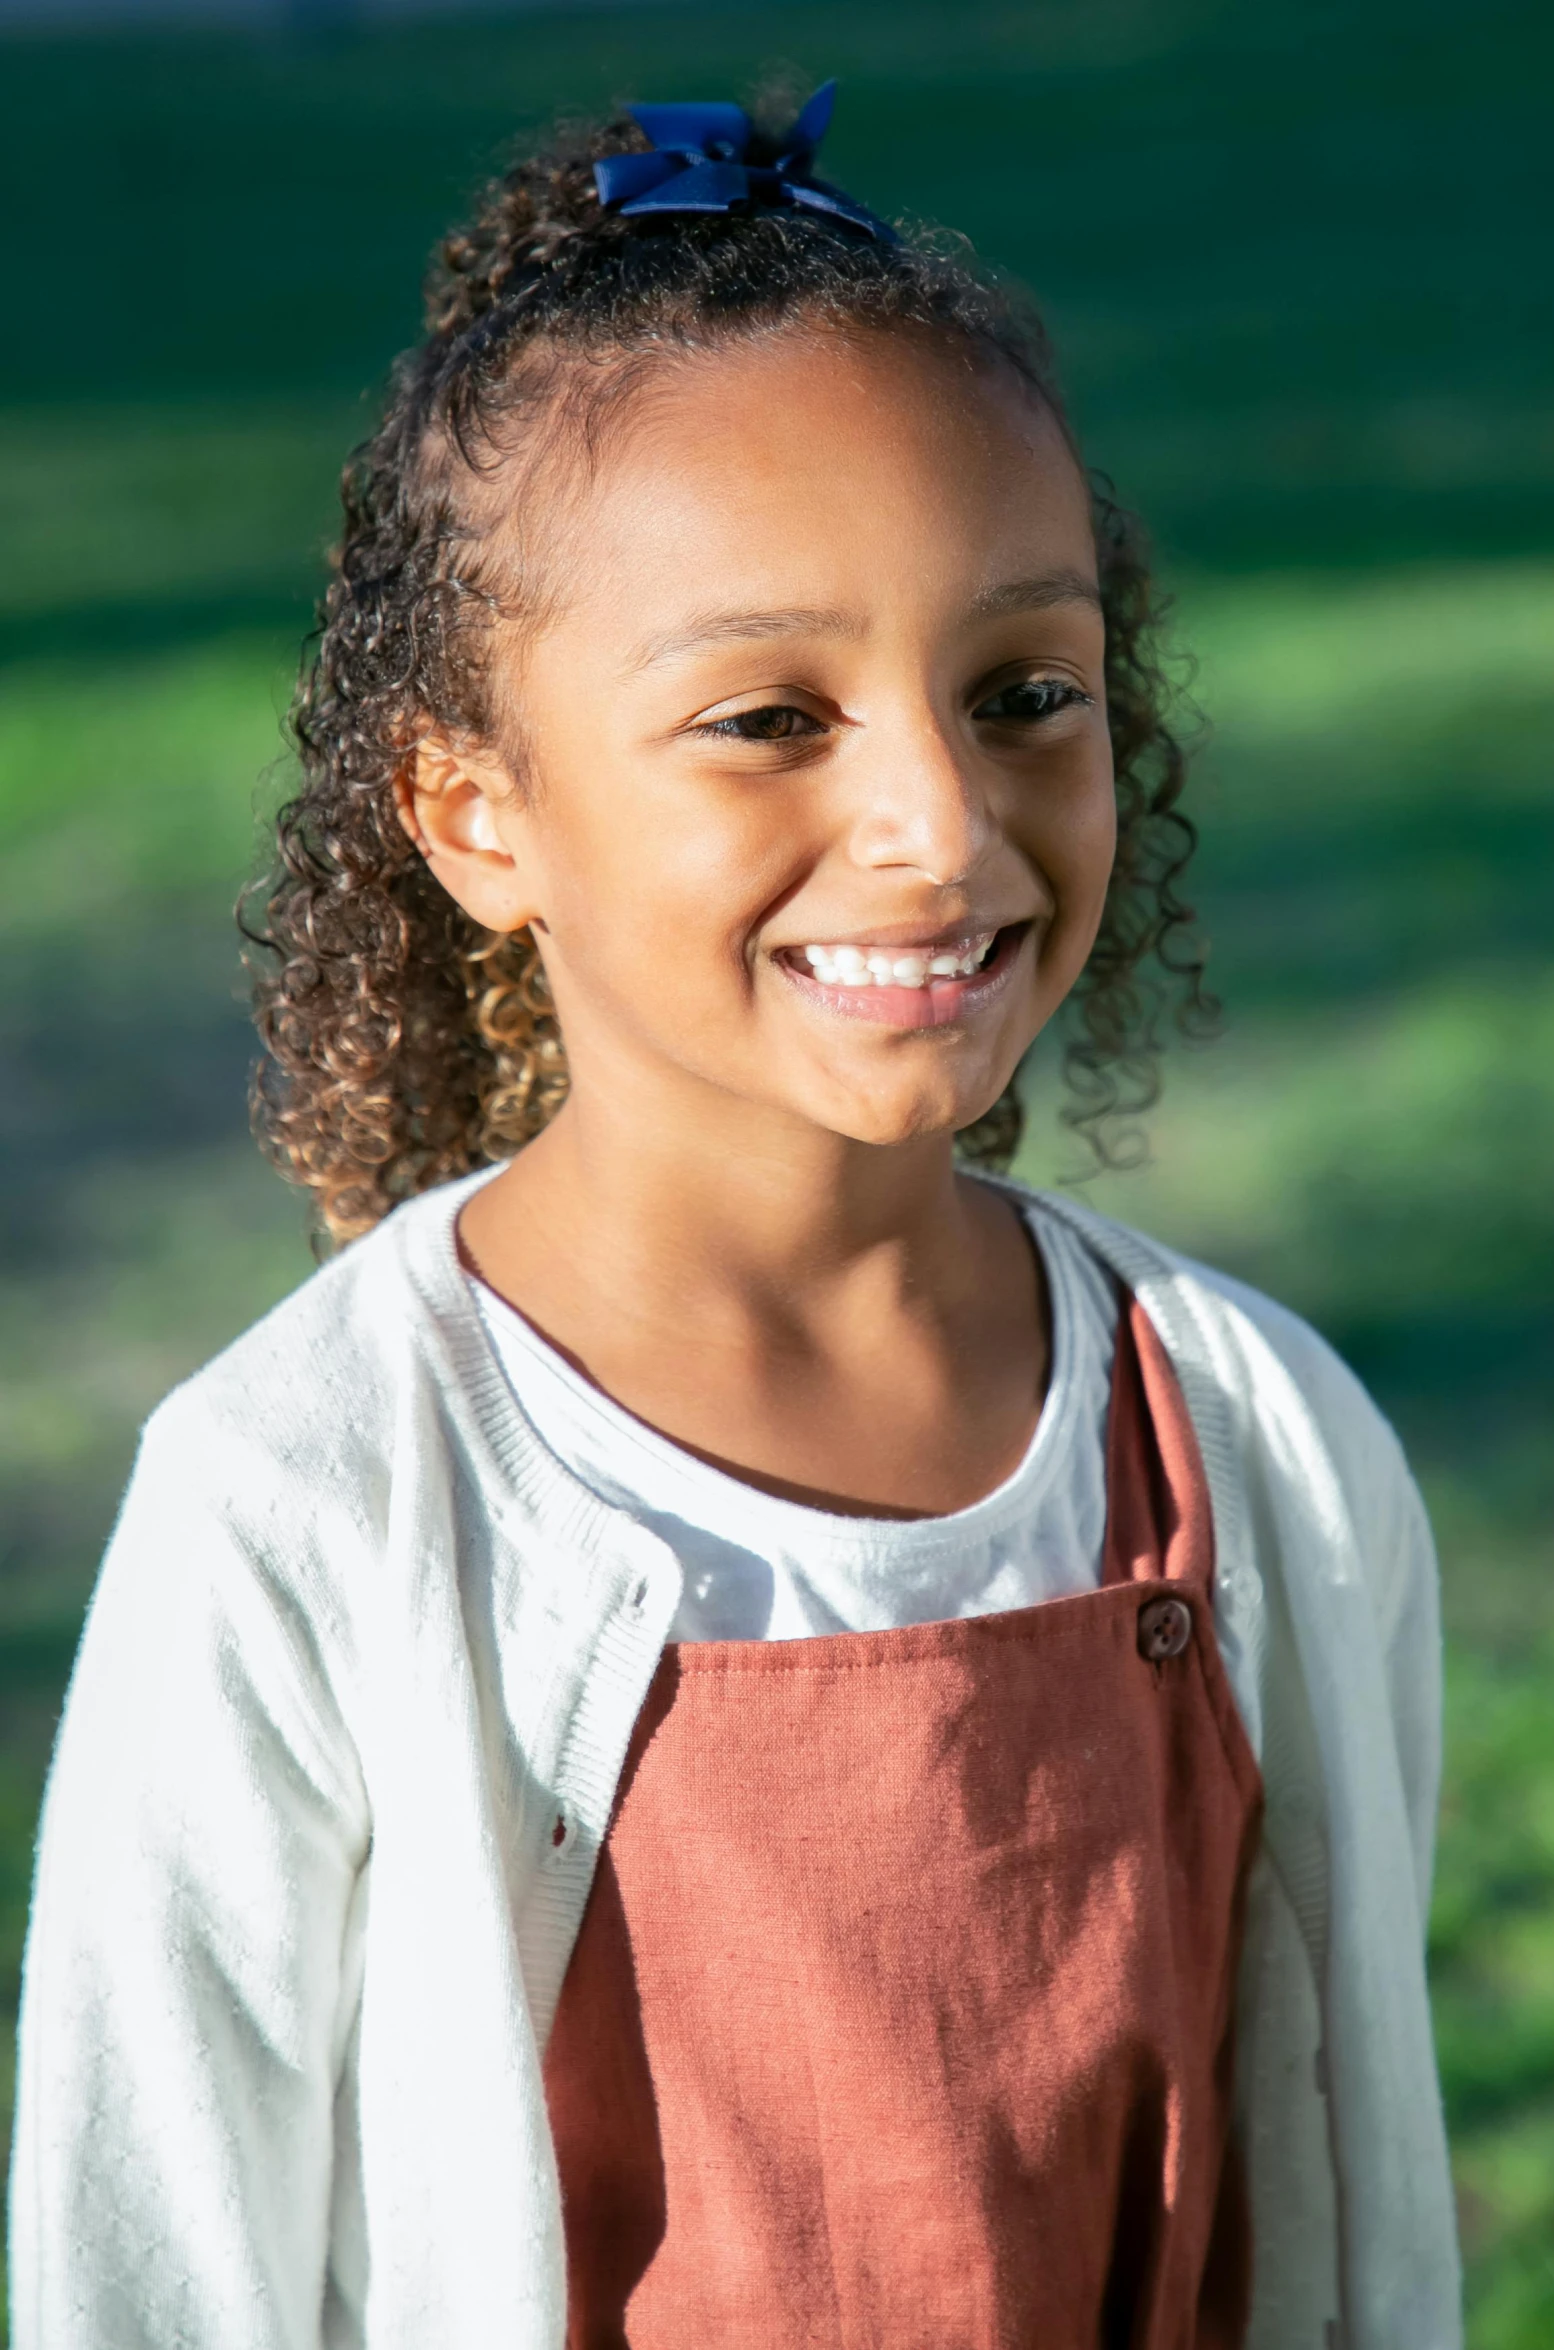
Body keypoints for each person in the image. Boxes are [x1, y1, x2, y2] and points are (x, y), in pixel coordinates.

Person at [10, 82, 1458, 2350]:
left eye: (1023, 692)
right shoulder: (299, 1504)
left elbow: (1357, 2208)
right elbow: (147, 2264)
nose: (937, 820)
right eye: (772, 712)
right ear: (478, 814)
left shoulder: (1261, 1447)